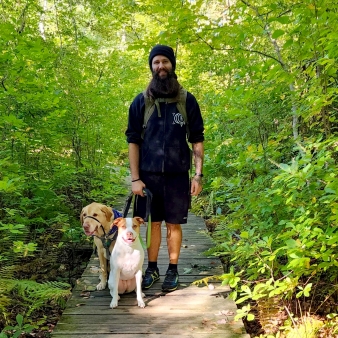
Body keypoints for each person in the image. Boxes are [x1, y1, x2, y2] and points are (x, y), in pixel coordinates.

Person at [125, 44, 204, 292]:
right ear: (151, 66)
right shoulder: (141, 101)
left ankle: (172, 270)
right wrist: (135, 178)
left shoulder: (187, 100)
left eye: (165, 62)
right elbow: (133, 141)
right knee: (152, 223)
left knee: (174, 224)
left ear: (172, 65)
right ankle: (151, 269)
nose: (161, 66)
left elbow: (197, 139)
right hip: (148, 178)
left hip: (178, 175)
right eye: (156, 62)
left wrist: (198, 175)